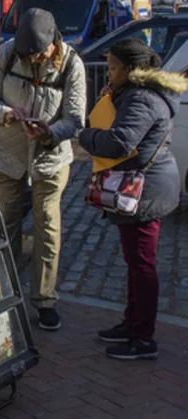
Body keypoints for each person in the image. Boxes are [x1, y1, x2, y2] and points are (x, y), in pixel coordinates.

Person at [0, 8, 86, 331]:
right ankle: (3, 294)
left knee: (46, 226)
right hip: (8, 156)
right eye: (26, 54)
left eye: (37, 54)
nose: (31, 59)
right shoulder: (8, 54)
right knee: (6, 222)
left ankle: (45, 299)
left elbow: (76, 120)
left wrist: (50, 133)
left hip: (50, 159)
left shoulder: (72, 64)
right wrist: (7, 114)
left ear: (53, 43)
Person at [79, 38, 187, 360]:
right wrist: (109, 103)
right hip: (143, 186)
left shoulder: (142, 99)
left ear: (131, 69)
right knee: (134, 262)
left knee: (142, 265)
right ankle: (132, 323)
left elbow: (119, 143)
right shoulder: (134, 94)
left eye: (112, 68)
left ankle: (144, 339)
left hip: (146, 190)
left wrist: (85, 136)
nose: (108, 73)